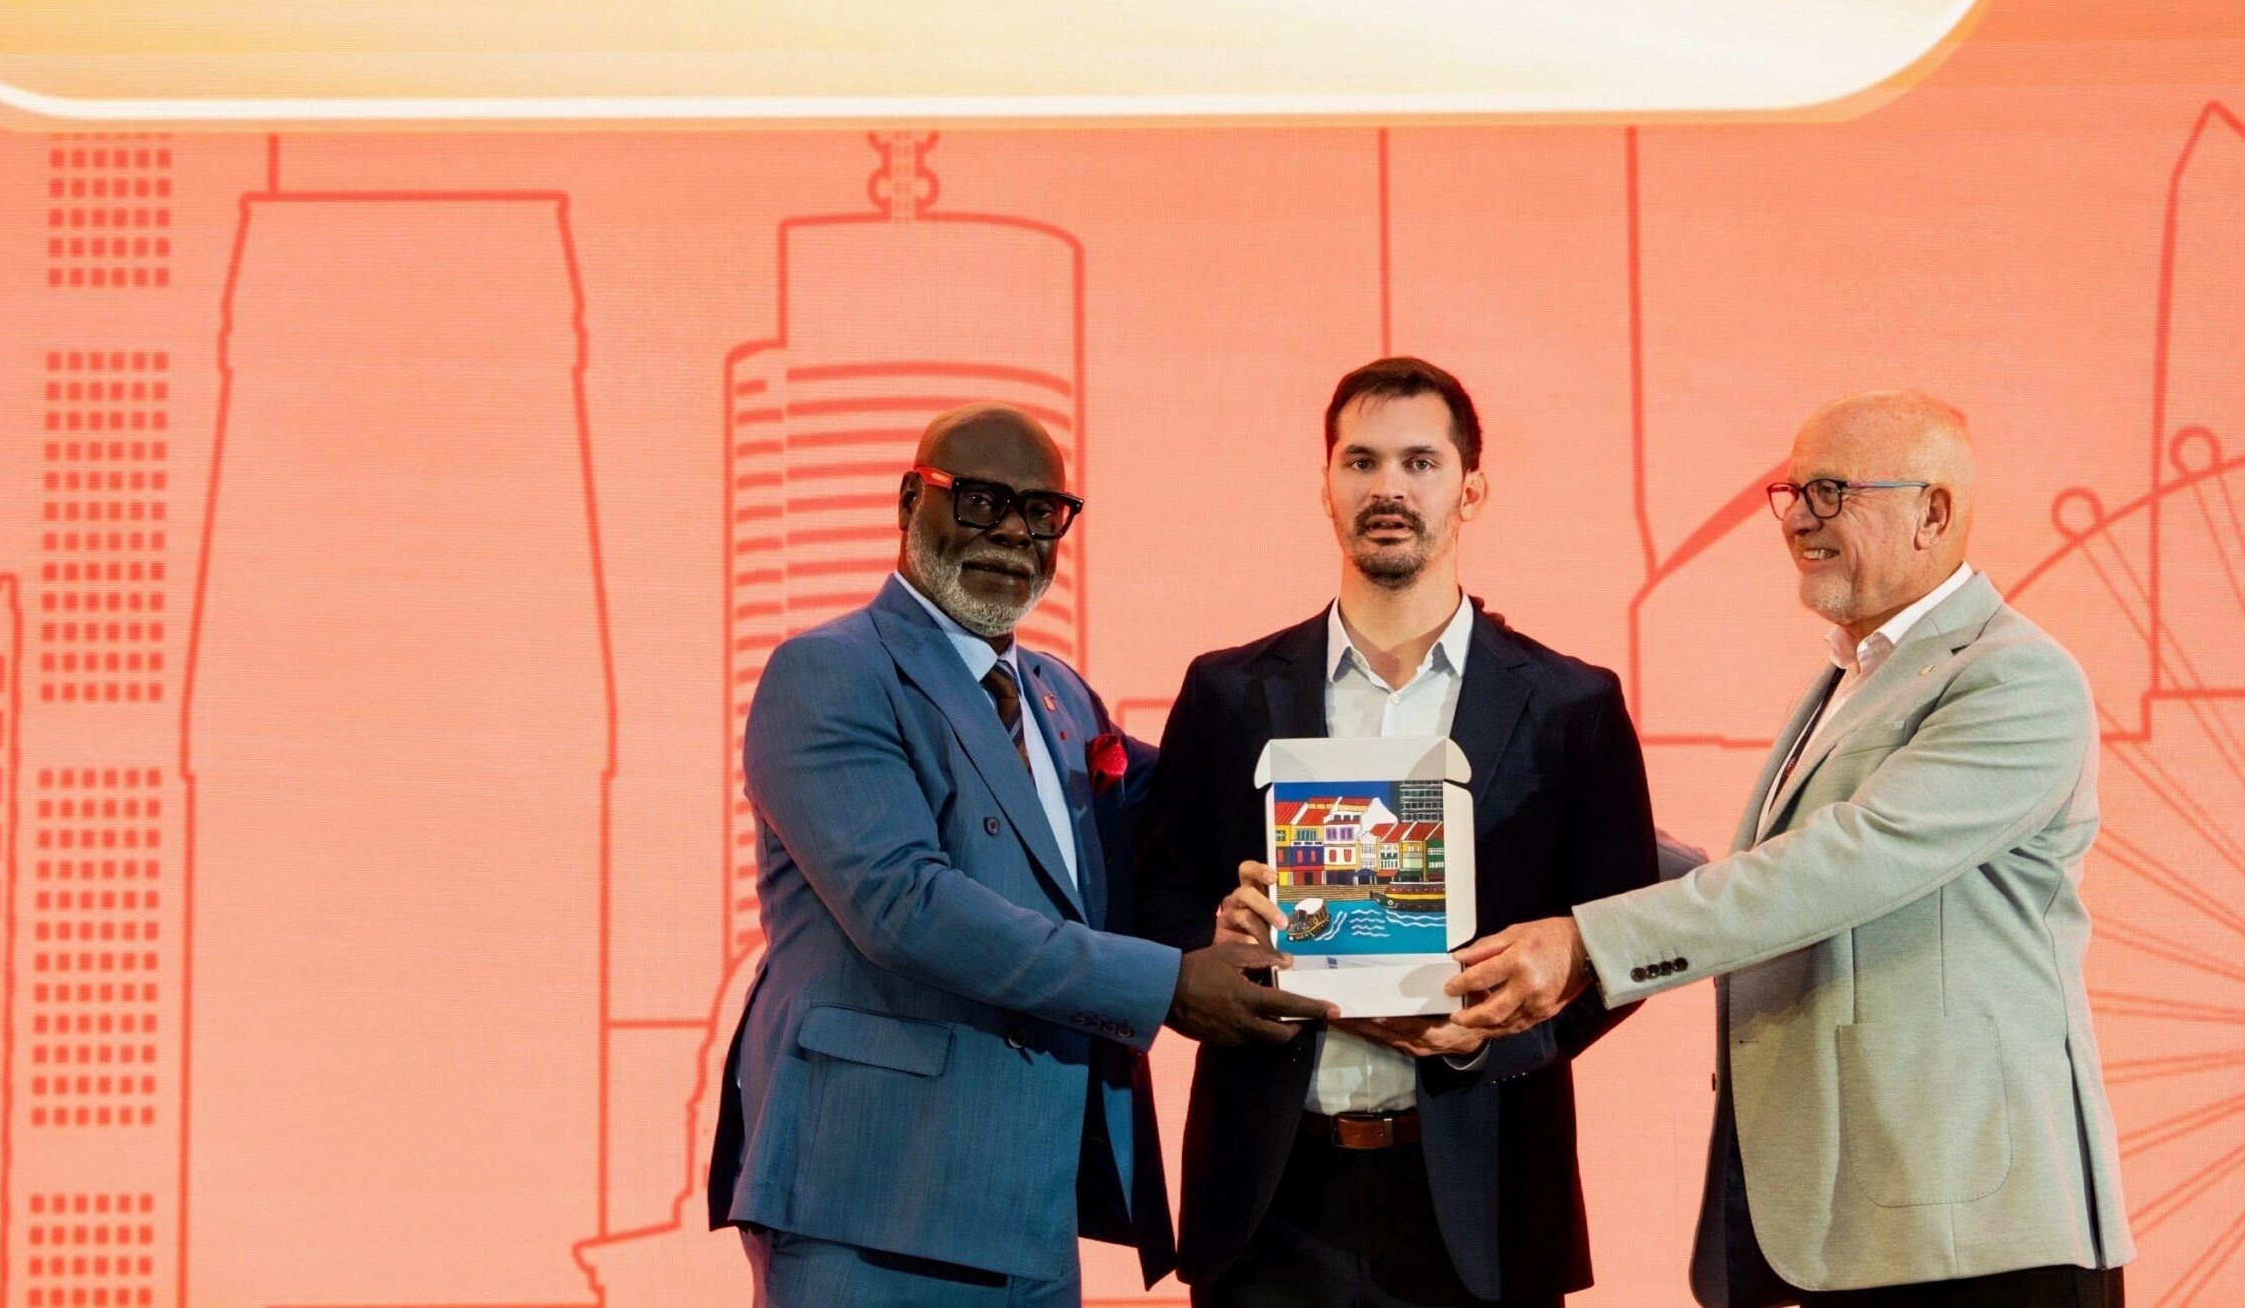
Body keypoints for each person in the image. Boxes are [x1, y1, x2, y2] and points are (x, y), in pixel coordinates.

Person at [1445, 391, 2133, 1307]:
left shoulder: (2015, 676)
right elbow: (1779, 883)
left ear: (1933, 511)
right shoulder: (1853, 675)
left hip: (1981, 1236)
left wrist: (1588, 942)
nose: (1798, 518)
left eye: (1831, 491)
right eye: (1792, 491)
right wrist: (1557, 836)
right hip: (1867, 1227)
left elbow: (1840, 867)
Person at [708, 404, 1334, 1307]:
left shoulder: (1061, 697)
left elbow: (1197, 811)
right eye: (980, 500)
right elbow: (905, 905)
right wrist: (1166, 983)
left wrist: (1374, 790)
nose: (1012, 530)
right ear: (909, 501)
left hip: (1031, 1209)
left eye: (1042, 511)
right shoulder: (830, 671)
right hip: (873, 1198)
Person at [1137, 357, 1662, 1307]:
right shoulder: (1225, 690)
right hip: (1267, 1203)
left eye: (1420, 461)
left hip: (1486, 1202)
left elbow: (1622, 944)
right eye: (1362, 461)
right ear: (1326, 487)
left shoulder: (1572, 705)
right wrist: (1212, 946)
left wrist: (1483, 1038)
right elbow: (1158, 899)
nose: (1389, 487)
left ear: (1471, 488)